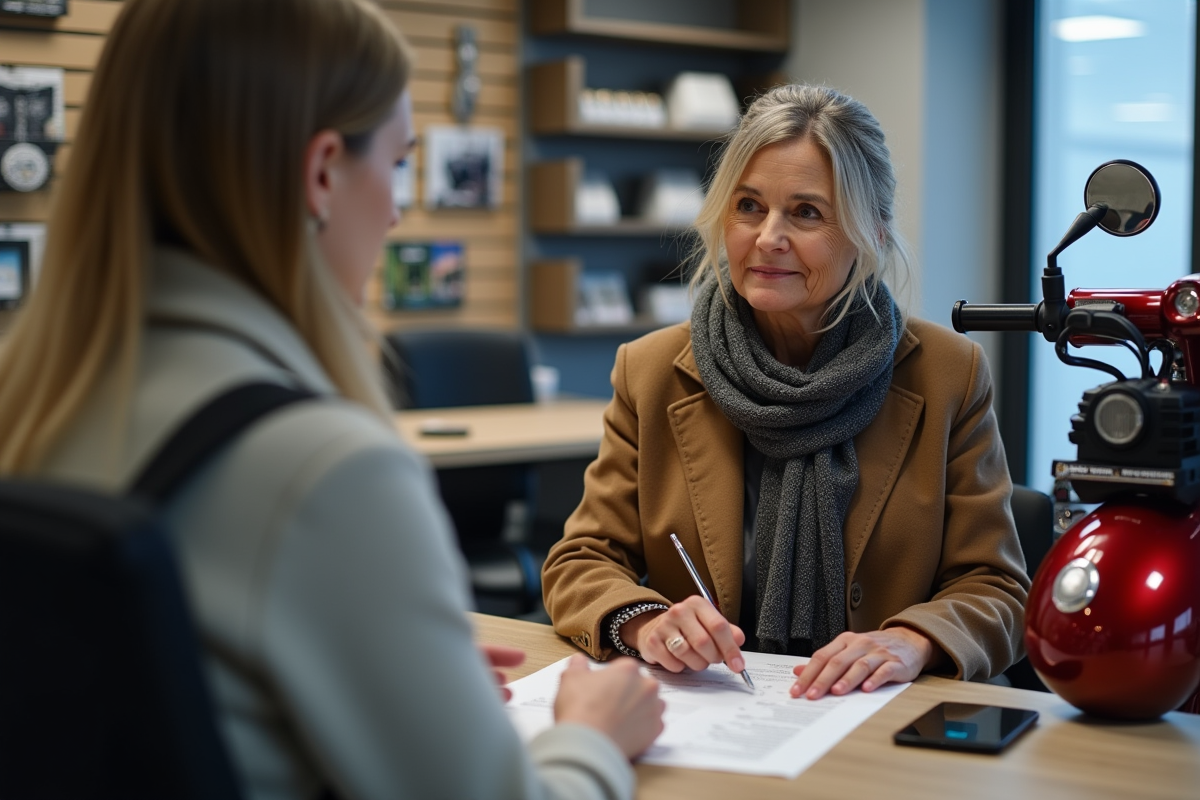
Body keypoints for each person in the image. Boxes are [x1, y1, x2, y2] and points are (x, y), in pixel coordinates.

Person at [0, 0, 664, 798]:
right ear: (321, 173)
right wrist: (590, 736)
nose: (390, 209)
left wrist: (395, 672)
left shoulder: (34, 397)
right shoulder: (325, 469)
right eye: (394, 164)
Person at [541, 83, 1031, 701]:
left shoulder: (947, 373)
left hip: (874, 717)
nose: (768, 237)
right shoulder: (652, 369)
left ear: (872, 233)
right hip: (720, 714)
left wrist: (914, 639)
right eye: (748, 206)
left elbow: (997, 588)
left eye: (806, 213)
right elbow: (580, 559)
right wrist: (644, 621)